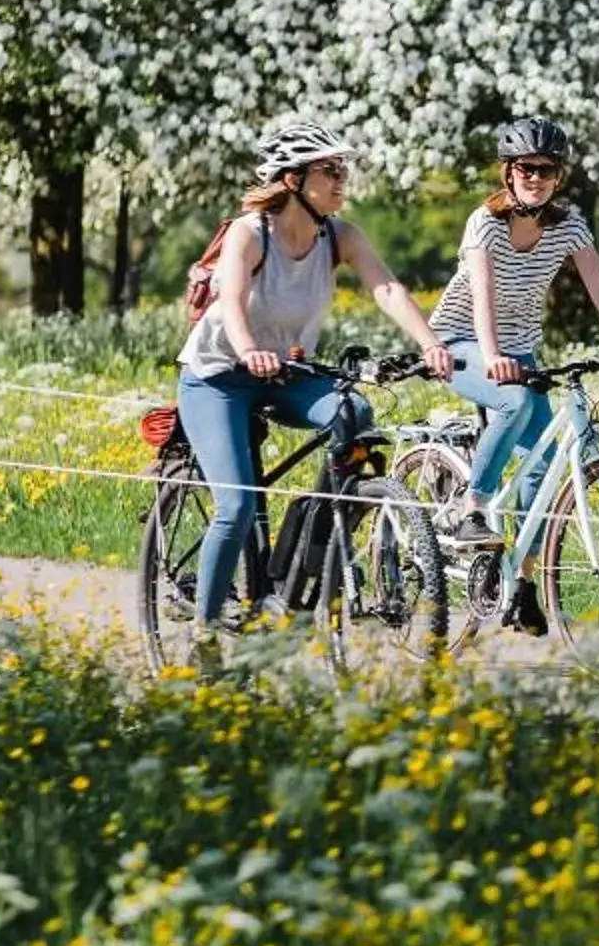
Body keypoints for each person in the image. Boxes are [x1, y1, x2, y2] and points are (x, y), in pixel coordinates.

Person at [175, 119, 452, 647]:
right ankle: (205, 634)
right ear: (292, 180)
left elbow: (386, 287)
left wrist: (429, 342)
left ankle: (305, 556)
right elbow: (231, 299)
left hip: (282, 372)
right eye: (330, 169)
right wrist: (248, 349)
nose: (342, 178)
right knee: (235, 506)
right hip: (217, 378)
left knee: (355, 416)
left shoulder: (339, 235)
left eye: (343, 168)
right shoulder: (249, 232)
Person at [432, 115, 599, 631]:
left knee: (547, 460)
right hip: (460, 342)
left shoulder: (569, 224)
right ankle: (472, 508)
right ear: (508, 172)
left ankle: (522, 584)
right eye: (526, 168)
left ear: (559, 177)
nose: (536, 178)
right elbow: (483, 297)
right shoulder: (484, 223)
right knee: (512, 404)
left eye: (547, 170)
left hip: (519, 353)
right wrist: (493, 356)